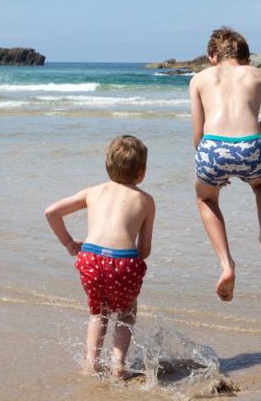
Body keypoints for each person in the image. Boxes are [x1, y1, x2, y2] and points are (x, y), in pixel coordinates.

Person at [189, 27, 261, 302]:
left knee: (206, 200)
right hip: (252, 145)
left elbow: (197, 136)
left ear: (212, 56)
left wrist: (213, 170)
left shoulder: (200, 79)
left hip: (213, 148)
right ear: (246, 58)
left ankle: (226, 264)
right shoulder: (259, 75)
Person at [44, 135, 154, 380]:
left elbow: (51, 212)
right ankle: (118, 367)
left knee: (98, 313)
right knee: (126, 312)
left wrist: (69, 243)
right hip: (124, 261)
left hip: (90, 258)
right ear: (142, 172)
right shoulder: (146, 200)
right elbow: (144, 251)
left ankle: (91, 363)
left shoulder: (92, 192)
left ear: (107, 166)